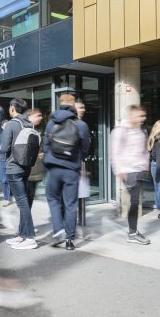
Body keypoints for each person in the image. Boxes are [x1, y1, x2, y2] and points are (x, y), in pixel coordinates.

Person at [43, 94, 90, 250]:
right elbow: (85, 148)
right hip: (71, 169)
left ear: (60, 104)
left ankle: (58, 232)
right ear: (73, 105)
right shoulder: (81, 125)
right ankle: (70, 241)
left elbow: (46, 144)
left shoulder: (51, 122)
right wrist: (77, 159)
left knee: (53, 200)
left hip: (54, 168)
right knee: (71, 204)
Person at [109, 105, 151, 245]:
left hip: (138, 170)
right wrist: (119, 170)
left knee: (135, 202)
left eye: (143, 116)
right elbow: (115, 152)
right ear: (132, 116)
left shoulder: (141, 131)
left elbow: (145, 151)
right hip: (128, 170)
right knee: (134, 202)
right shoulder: (120, 131)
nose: (143, 118)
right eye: (140, 116)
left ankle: (133, 231)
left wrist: (145, 165)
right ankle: (132, 233)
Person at [0, 98, 38, 250]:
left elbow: (3, 148)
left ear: (12, 108)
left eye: (10, 106)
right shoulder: (28, 123)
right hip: (25, 167)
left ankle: (29, 237)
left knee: (22, 203)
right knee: (23, 202)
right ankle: (22, 235)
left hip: (13, 168)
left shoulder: (12, 124)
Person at [26, 108, 44, 209]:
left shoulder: (36, 130)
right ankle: (25, 224)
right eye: (38, 115)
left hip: (34, 173)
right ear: (30, 117)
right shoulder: (25, 130)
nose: (40, 118)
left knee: (29, 200)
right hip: (27, 173)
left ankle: (25, 224)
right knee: (27, 202)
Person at [148, 120, 160, 217]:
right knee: (159, 189)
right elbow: (154, 154)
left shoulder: (155, 138)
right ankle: (159, 211)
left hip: (156, 164)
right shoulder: (156, 139)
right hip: (156, 164)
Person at [0, 119, 12, 207]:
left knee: (12, 179)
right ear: (2, 127)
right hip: (3, 159)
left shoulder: (12, 135)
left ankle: (12, 196)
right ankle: (6, 199)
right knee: (4, 180)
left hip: (11, 159)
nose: (7, 127)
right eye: (5, 126)